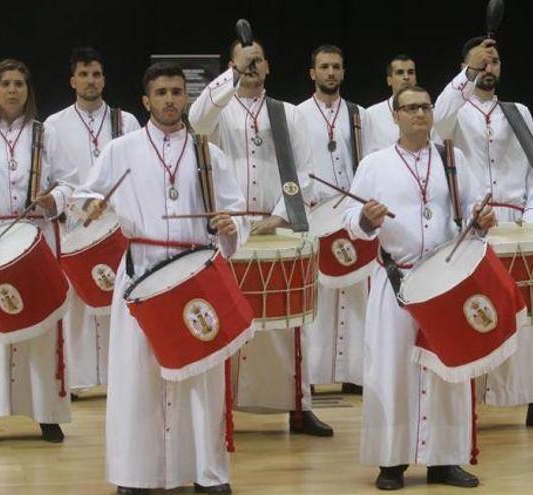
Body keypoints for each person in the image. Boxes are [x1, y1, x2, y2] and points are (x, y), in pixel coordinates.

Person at [75, 61, 247, 494]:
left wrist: (233, 226)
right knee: (138, 379)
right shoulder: (122, 149)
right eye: (162, 92)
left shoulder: (208, 152)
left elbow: (235, 208)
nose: (170, 99)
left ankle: (208, 473)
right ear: (146, 100)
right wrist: (91, 206)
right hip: (141, 273)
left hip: (196, 275)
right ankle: (136, 475)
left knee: (201, 379)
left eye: (176, 91)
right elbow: (86, 194)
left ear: (185, 97)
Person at [346, 85, 492, 490]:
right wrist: (366, 220)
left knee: (448, 371)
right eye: (410, 108)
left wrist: (480, 221)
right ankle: (391, 462)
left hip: (444, 282)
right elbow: (349, 221)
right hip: (397, 280)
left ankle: (445, 460)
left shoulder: (453, 157)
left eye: (425, 107)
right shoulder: (375, 164)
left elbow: (473, 210)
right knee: (391, 372)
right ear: (395, 115)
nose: (419, 114)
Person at [188, 38, 332, 436]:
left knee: (289, 326)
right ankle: (221, 408)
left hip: (275, 227)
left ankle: (299, 408)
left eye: (258, 60)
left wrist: (278, 217)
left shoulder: (287, 113)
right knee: (227, 321)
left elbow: (305, 172)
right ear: (231, 64)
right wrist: (232, 75)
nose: (252, 65)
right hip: (228, 230)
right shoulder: (218, 110)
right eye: (243, 60)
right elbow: (196, 121)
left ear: (268, 67)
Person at [434, 37, 533, 430]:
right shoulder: (454, 110)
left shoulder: (519, 112)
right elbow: (438, 124)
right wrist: (467, 73)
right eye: (482, 62)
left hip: (518, 226)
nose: (490, 67)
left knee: (528, 318)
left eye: (495, 61)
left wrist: (531, 218)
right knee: (477, 312)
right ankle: (469, 401)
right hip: (472, 227)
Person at [44, 47, 140, 397]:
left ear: (104, 79)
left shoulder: (125, 121)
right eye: (83, 74)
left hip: (118, 228)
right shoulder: (54, 125)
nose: (90, 80)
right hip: (77, 229)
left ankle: (121, 376)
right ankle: (81, 379)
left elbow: (136, 171)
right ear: (72, 80)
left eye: (96, 74)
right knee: (79, 306)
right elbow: (53, 178)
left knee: (121, 301)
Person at [0, 58, 76, 443]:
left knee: (43, 327)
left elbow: (69, 183)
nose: (13, 90)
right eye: (6, 83)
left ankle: (46, 413)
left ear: (29, 91)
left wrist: (53, 200)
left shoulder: (46, 133)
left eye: (19, 84)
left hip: (37, 236)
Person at [296, 44, 371, 394]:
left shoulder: (359, 114)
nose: (330, 72)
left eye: (336, 67)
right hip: (315, 216)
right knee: (318, 297)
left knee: (358, 295)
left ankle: (355, 373)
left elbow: (370, 162)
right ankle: (310, 374)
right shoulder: (297, 115)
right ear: (312, 72)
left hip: (351, 216)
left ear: (343, 72)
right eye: (323, 66)